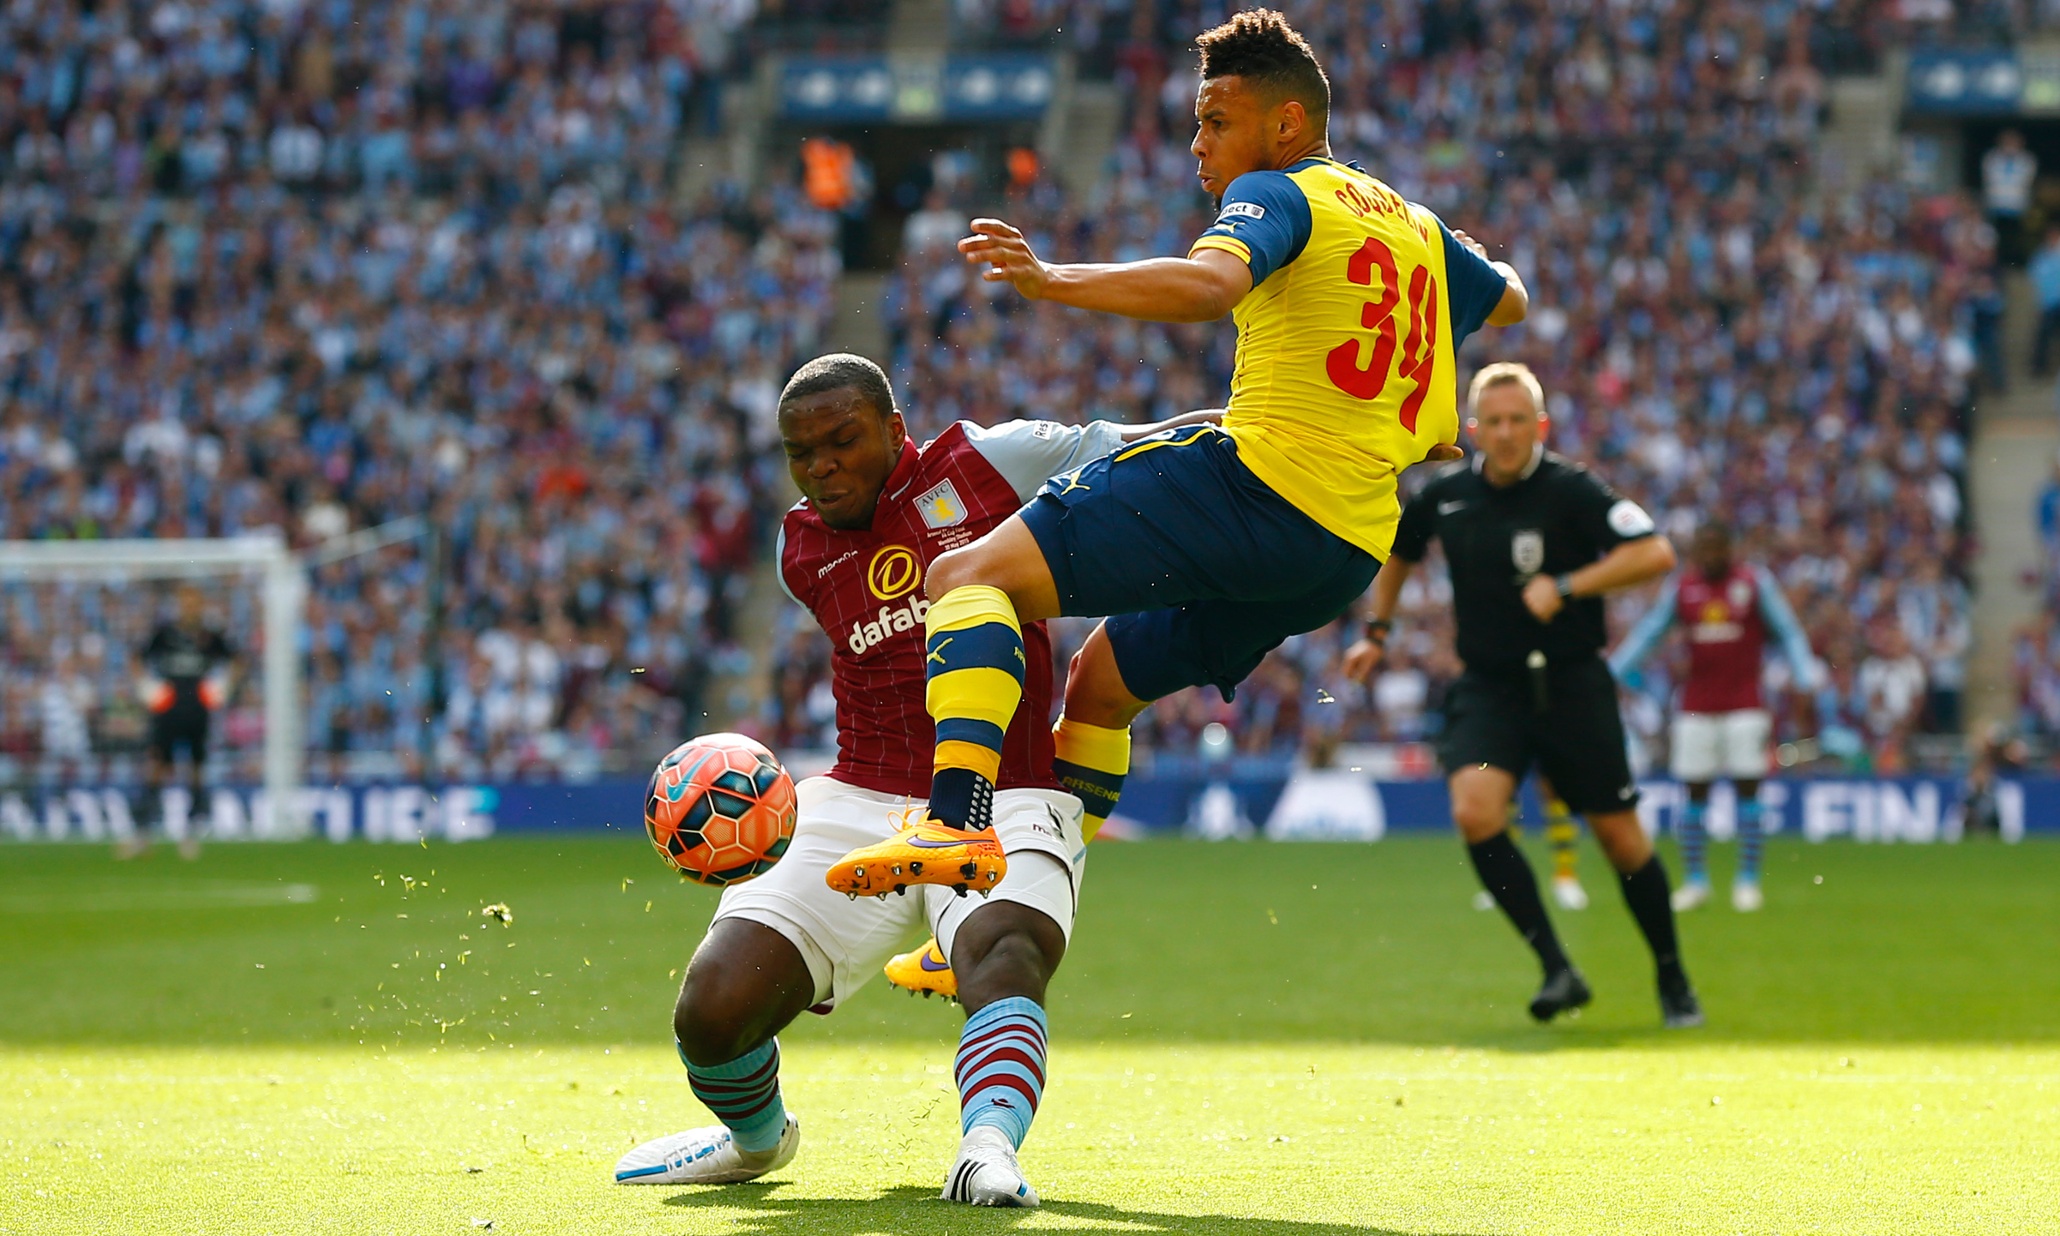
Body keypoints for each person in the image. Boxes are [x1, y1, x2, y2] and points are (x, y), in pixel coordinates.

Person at [825, 8, 1525, 899]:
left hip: (1259, 489)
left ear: (1287, 125)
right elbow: (1512, 303)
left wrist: (1050, 280)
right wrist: (1473, 260)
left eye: (1216, 121)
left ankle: (953, 825)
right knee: (1102, 684)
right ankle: (1030, 900)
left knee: (964, 579)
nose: (1197, 143)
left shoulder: (1280, 193)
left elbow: (1209, 286)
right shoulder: (1416, 225)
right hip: (1342, 550)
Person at [613, 354, 1217, 1207]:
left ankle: (986, 1147)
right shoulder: (799, 547)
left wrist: (1302, 439)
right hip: (858, 793)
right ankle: (755, 1142)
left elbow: (1139, 444)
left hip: (1005, 787)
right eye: (801, 452)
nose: (821, 465)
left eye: (842, 440)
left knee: (1004, 956)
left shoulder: (986, 461)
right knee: (710, 1012)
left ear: (895, 430)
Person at [1345, 363, 1700, 1028]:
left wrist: (1568, 586)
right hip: (1490, 688)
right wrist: (1377, 630)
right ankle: (1556, 967)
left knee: (1622, 842)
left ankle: (1672, 974)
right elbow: (1401, 551)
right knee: (1475, 811)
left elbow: (1653, 554)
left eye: (1518, 421)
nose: (1506, 434)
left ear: (1540, 425)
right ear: (1472, 428)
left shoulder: (1572, 490)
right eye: (1493, 422)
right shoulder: (1446, 494)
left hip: (1571, 686)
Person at [1609, 520, 1822, 913]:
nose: (1709, 556)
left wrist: (1804, 672)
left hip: (1745, 703)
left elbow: (1788, 631)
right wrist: (1613, 671)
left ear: (1729, 549)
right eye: (1702, 550)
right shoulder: (1683, 589)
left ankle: (1748, 880)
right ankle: (1696, 880)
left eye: (1716, 548)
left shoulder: (1754, 584)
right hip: (1696, 704)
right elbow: (1649, 633)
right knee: (1694, 791)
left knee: (1747, 789)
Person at [125, 584, 234, 860]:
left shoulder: (210, 636)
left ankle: (190, 835)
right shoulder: (164, 633)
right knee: (158, 768)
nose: (189, 606)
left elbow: (237, 660)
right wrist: (145, 687)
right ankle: (142, 835)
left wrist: (224, 685)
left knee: (196, 770)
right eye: (184, 601)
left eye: (193, 601)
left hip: (198, 710)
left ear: (200, 604)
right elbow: (136, 658)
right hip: (168, 710)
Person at [1982, 129, 2036, 267]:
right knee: (1995, 237)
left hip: (2017, 206)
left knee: (2016, 237)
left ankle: (2015, 263)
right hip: (1997, 205)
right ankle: (1998, 263)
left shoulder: (2027, 160)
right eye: (2007, 142)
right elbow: (1988, 180)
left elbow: (2027, 181)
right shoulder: (1991, 158)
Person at [2030, 229, 2060, 374]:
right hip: (2049, 303)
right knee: (2043, 334)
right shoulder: (2041, 255)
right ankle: (2039, 367)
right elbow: (2035, 277)